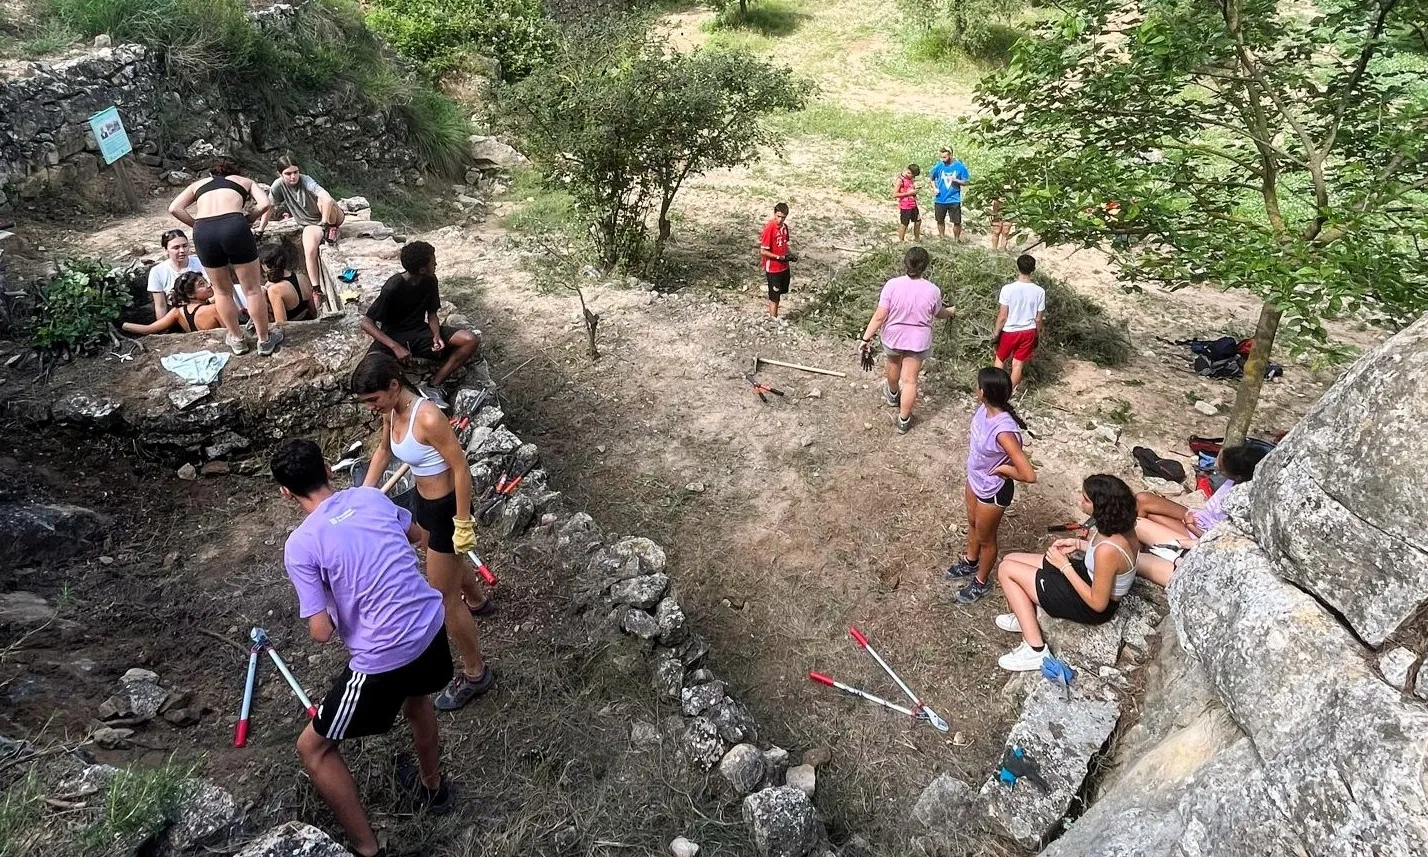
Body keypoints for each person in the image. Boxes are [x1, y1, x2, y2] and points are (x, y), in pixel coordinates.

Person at [271, 438, 457, 857]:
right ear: (328, 471)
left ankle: (367, 848)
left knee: (313, 748)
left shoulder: (301, 545)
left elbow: (320, 632)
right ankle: (435, 789)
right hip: (429, 627)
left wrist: (339, 598)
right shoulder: (371, 498)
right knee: (418, 698)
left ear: (285, 491)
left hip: (383, 655)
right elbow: (418, 536)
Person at [351, 352, 494, 711]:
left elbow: (461, 468)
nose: (371, 407)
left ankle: (476, 674)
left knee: (442, 598)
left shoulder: (427, 416)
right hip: (423, 502)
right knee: (444, 566)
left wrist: (463, 521)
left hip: (448, 509)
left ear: (395, 386)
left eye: (373, 399)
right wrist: (362, 497)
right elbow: (384, 452)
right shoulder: (391, 412)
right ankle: (478, 601)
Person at [992, 474, 1141, 671]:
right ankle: (1024, 616)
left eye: (1086, 499)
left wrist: (1064, 566)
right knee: (1011, 559)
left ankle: (1035, 649)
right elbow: (1113, 561)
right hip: (1087, 577)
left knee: (1006, 570)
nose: (1081, 502)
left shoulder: (1109, 550)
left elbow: (1098, 604)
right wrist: (1079, 544)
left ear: (1101, 506)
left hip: (1088, 604)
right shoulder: (1121, 527)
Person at [168, 160, 283, 356]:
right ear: (234, 173)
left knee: (221, 292)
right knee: (253, 289)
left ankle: (236, 339)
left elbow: (174, 208)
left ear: (212, 175)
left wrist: (196, 224)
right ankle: (264, 340)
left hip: (204, 231)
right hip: (234, 225)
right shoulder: (244, 181)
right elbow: (265, 204)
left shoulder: (198, 184)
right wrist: (250, 218)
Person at [949, 367, 1036, 604]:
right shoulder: (984, 410)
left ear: (983, 392)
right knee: (973, 523)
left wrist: (1004, 469)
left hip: (993, 491)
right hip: (975, 480)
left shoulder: (1004, 431)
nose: (975, 388)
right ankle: (970, 561)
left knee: (987, 539)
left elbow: (1029, 474)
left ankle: (981, 582)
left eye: (978, 385)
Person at [360, 241, 481, 409]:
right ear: (422, 269)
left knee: (470, 339)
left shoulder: (430, 281)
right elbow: (366, 322)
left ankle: (433, 386)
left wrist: (437, 336)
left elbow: (432, 314)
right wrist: (395, 347)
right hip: (393, 336)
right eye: (433, 261)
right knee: (370, 368)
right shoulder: (393, 287)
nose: (436, 264)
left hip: (419, 331)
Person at [1134, 443, 1269, 586]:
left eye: (1222, 471)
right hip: (1198, 517)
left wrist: (1192, 526)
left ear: (1238, 475)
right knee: (1143, 500)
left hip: (1200, 532)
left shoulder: (1242, 503)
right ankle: (1142, 548)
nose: (1218, 472)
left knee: (1143, 519)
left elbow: (1220, 539)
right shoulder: (1232, 482)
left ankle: (1138, 552)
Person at [858, 246, 955, 434]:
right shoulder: (932, 290)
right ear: (926, 266)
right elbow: (938, 313)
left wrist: (866, 337)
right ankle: (904, 420)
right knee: (910, 380)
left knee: (893, 364)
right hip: (918, 340)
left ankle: (893, 394)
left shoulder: (892, 285)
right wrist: (951, 311)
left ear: (906, 263)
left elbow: (880, 316)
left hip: (894, 336)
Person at [258, 155, 346, 307]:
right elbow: (269, 207)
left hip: (330, 217)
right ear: (280, 174)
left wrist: (324, 222)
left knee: (323, 200)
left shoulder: (306, 181)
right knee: (309, 250)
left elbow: (327, 199)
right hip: (310, 224)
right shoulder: (278, 186)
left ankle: (331, 228)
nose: (293, 176)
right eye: (288, 173)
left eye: (295, 172)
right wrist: (260, 228)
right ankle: (316, 289)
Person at [993, 254, 1045, 389]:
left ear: (1017, 268)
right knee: (1018, 364)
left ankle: (997, 389)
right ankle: (1009, 392)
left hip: (1010, 330)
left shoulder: (1008, 289)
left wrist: (996, 331)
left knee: (1000, 359)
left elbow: (1003, 316)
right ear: (1033, 269)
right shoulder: (1040, 291)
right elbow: (1038, 318)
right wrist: (1037, 334)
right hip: (1028, 331)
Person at [122, 271, 223, 336]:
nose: (209, 285)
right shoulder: (214, 309)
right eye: (202, 285)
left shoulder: (178, 311)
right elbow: (230, 331)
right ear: (191, 294)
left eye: (206, 281)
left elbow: (149, 329)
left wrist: (123, 325)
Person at [146, 229, 205, 318]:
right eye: (176, 248)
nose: (182, 250)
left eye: (184, 246)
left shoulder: (201, 263)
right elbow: (160, 306)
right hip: (175, 315)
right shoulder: (157, 271)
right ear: (166, 250)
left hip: (202, 311)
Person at [260, 242, 318, 324]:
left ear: (265, 264)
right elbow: (313, 310)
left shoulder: (275, 290)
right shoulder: (302, 277)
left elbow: (281, 324)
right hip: (309, 322)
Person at [928, 148, 969, 241]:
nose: (943, 159)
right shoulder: (938, 166)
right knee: (940, 220)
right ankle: (942, 237)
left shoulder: (960, 167)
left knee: (957, 222)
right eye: (941, 157)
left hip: (954, 198)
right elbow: (931, 178)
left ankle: (956, 239)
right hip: (940, 199)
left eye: (945, 157)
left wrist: (956, 180)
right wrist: (934, 188)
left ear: (950, 155)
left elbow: (966, 182)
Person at [893, 164, 921, 242]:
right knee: (904, 223)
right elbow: (895, 194)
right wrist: (909, 193)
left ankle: (917, 238)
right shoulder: (900, 180)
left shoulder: (911, 179)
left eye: (911, 174)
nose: (908, 175)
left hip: (913, 204)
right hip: (905, 205)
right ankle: (901, 240)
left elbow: (911, 188)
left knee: (918, 221)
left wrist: (915, 192)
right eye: (908, 173)